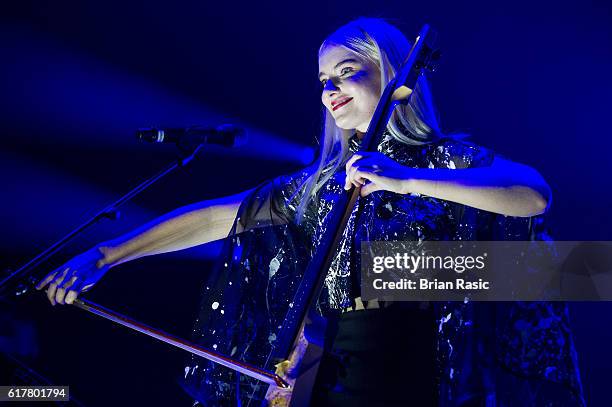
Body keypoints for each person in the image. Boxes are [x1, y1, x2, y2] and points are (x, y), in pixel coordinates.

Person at [36, 18, 583, 407]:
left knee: (571, 270)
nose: (329, 90)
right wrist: (106, 255)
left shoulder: (447, 160)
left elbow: (533, 193)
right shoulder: (319, 186)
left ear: (392, 72)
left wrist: (408, 178)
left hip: (424, 361)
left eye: (345, 71)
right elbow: (215, 218)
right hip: (335, 368)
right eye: (323, 81)